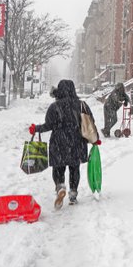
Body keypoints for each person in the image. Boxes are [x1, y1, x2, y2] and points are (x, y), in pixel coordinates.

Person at [29, 79, 101, 209]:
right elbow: (90, 123)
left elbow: (48, 125)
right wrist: (95, 139)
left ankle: (60, 186)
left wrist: (36, 129)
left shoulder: (54, 107)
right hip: (77, 142)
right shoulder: (81, 105)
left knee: (58, 167)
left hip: (58, 142)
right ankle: (73, 194)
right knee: (74, 168)